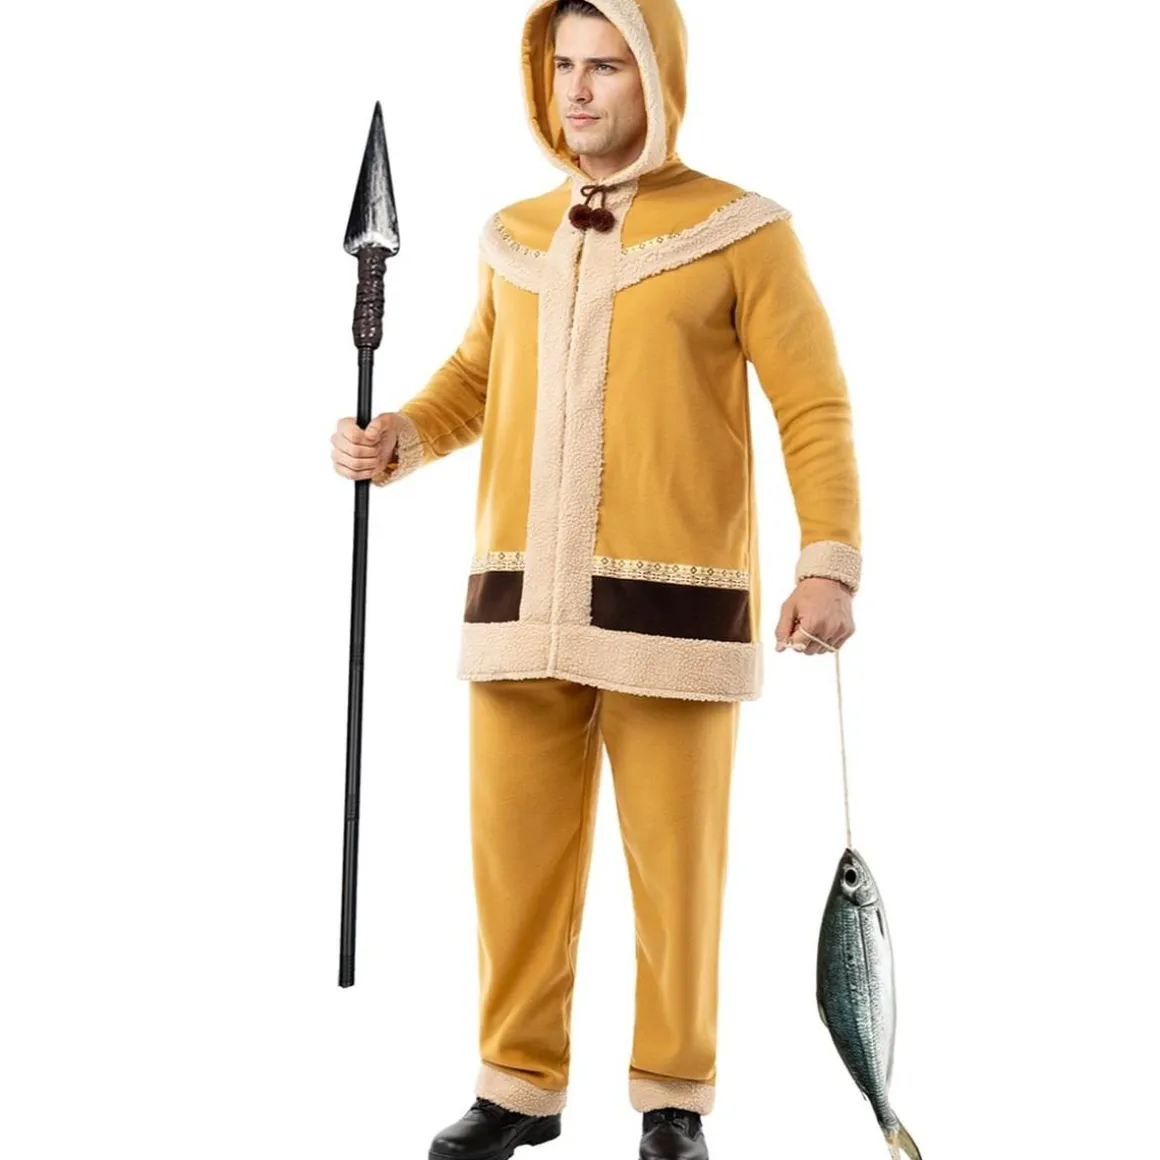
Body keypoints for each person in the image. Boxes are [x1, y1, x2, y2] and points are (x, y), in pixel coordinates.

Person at [330, 1, 861, 1156]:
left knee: (676, 872)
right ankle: (516, 1086)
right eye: (563, 65)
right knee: (512, 863)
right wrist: (399, 437)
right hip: (516, 604)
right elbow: (475, 378)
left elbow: (811, 403)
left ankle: (673, 1095)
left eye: (605, 66)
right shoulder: (512, 235)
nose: (577, 90)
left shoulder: (739, 229)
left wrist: (827, 562)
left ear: (655, 75)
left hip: (669, 613)